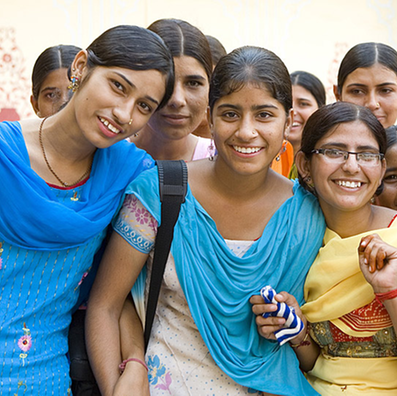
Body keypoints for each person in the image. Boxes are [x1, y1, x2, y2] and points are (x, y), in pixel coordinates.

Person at [86, 45, 325, 396]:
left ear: (288, 122)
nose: (246, 132)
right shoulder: (159, 193)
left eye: (264, 115)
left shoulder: (309, 213)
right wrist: (118, 383)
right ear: (209, 119)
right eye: (230, 114)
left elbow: (321, 349)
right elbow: (105, 305)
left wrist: (297, 328)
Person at [0, 25, 174, 395]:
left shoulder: (131, 176)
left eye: (144, 106)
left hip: (40, 378)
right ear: (80, 66)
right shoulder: (4, 155)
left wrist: (133, 362)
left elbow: (117, 293)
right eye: (118, 86)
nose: (124, 113)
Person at [252, 101, 397, 395]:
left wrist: (390, 292)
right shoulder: (293, 238)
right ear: (304, 165)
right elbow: (323, 362)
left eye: (366, 155)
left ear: (381, 168)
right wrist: (297, 332)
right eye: (334, 152)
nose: (351, 166)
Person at [129, 19, 213, 162]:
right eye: (167, 82)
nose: (177, 100)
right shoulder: (105, 154)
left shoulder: (224, 162)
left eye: (193, 83)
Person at [334, 42, 397, 129]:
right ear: (338, 95)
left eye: (385, 90)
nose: (372, 104)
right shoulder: (321, 142)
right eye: (357, 91)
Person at [273, 70, 325, 178]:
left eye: (303, 104)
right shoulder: (264, 156)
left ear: (321, 109)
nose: (293, 112)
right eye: (287, 104)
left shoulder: (326, 158)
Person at [29, 44, 81, 118]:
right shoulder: (12, 129)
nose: (64, 106)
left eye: (74, 92)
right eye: (51, 95)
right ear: (36, 106)